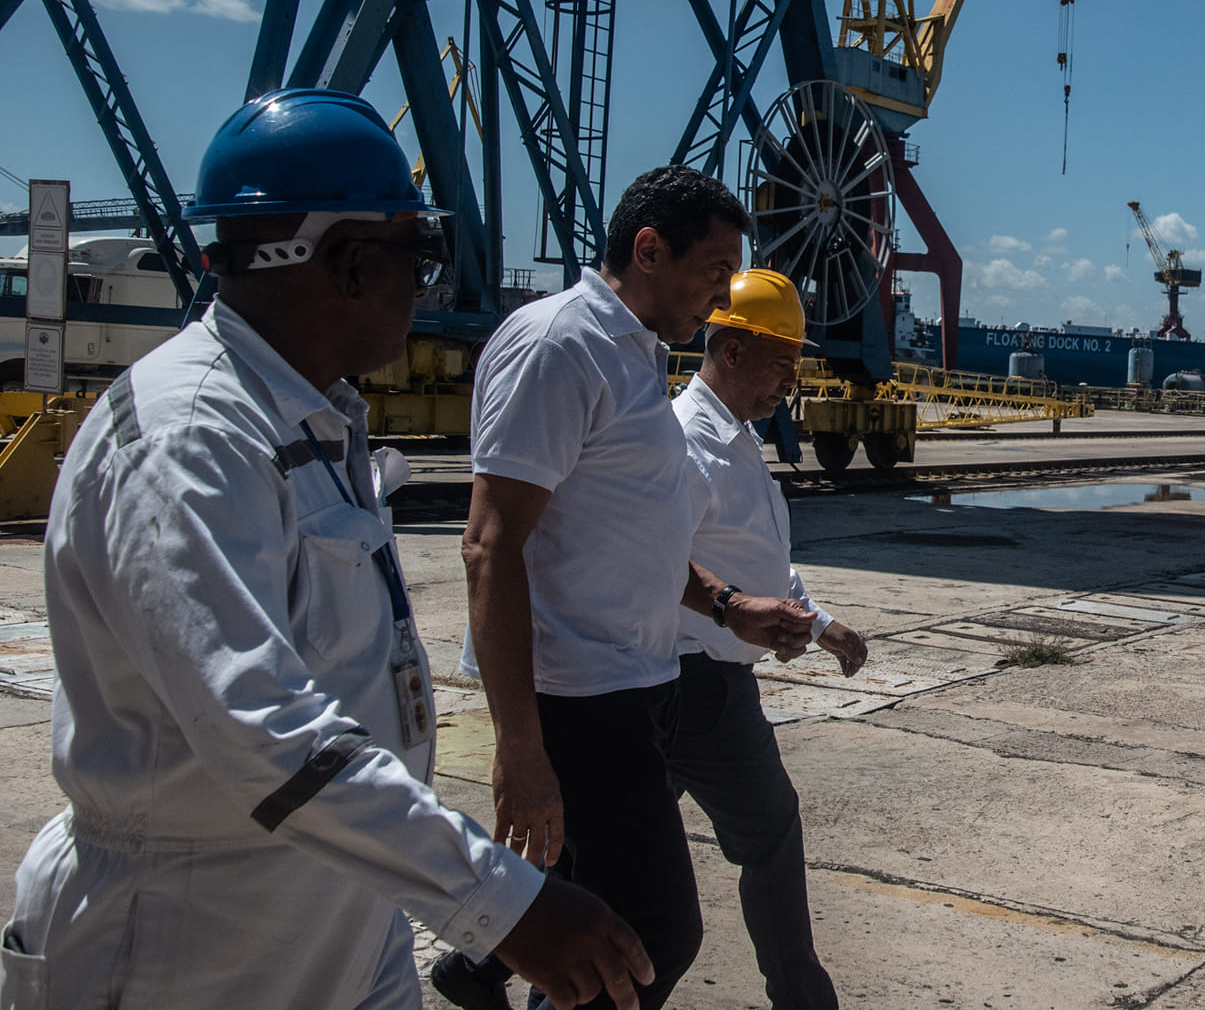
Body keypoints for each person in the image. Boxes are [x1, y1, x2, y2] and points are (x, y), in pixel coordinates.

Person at [0, 89, 653, 1010]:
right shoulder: (192, 437)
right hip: (187, 942)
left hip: (335, 902)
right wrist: (505, 904)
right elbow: (261, 730)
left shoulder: (306, 416)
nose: (424, 286)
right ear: (350, 263)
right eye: (416, 257)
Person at [442, 167, 815, 1010]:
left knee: (605, 925)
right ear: (649, 249)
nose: (722, 298)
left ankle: (474, 967)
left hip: (637, 686)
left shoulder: (636, 358)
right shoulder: (560, 345)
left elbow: (635, 536)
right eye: (715, 273)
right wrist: (521, 746)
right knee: (652, 929)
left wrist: (728, 606)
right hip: (579, 692)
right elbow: (490, 547)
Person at [666, 268, 868, 1010]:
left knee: (604, 851)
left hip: (700, 681)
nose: (792, 374)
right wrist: (730, 609)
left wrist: (818, 622)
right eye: (781, 357)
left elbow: (761, 558)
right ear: (733, 350)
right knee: (771, 832)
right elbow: (657, 552)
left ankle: (484, 961)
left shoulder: (737, 436)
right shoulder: (690, 440)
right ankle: (803, 998)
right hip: (694, 680)